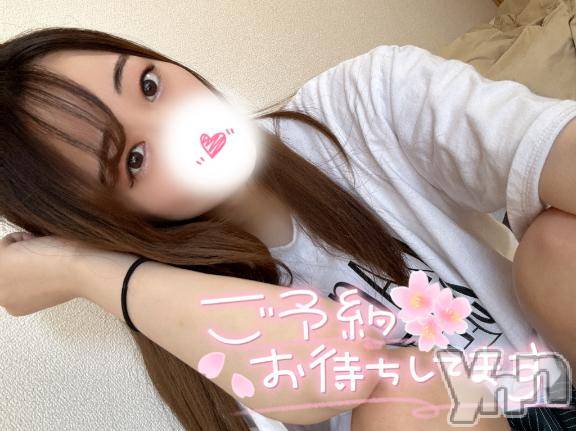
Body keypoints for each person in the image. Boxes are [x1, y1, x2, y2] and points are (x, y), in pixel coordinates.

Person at [0, 26, 575, 431]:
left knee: (557, 245)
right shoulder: (176, 311)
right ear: (106, 221)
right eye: (134, 160)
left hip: (558, 370)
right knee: (410, 386)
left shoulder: (361, 104)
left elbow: (555, 147)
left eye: (149, 85)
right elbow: (339, 370)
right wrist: (83, 267)